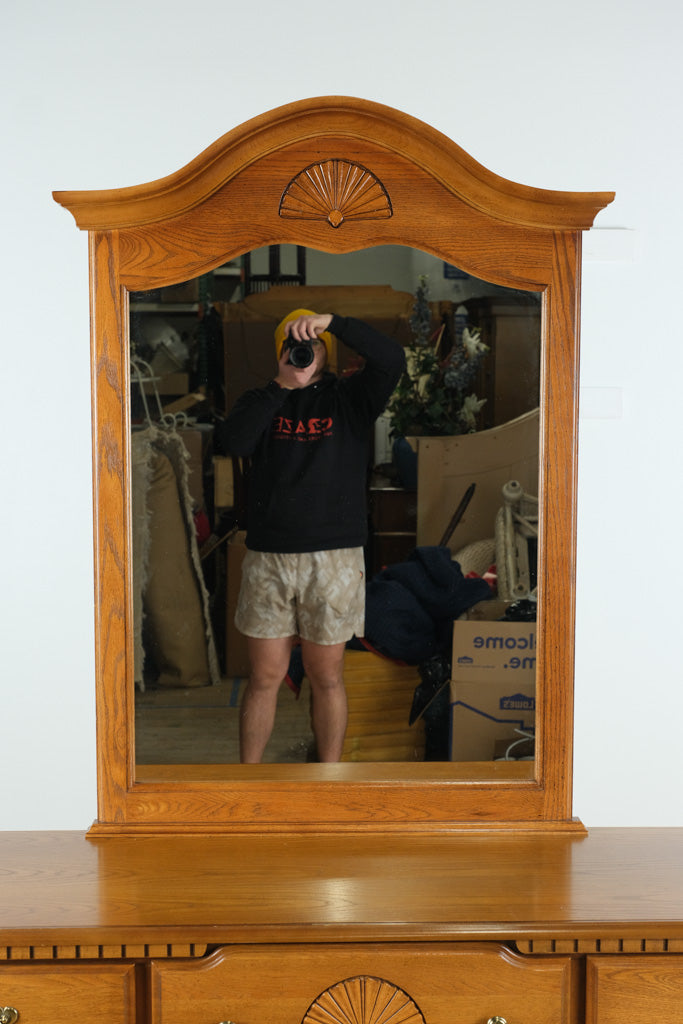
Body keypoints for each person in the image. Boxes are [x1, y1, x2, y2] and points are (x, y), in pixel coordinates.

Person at [218, 308, 406, 763]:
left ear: (327, 351)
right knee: (264, 677)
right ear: (279, 352)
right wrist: (282, 386)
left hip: (334, 557)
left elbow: (392, 358)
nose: (304, 352)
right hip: (271, 556)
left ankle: (328, 780)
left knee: (327, 676)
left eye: (313, 343)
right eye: (294, 344)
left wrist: (335, 322)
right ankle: (248, 779)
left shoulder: (352, 398)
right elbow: (232, 444)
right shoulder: (262, 398)